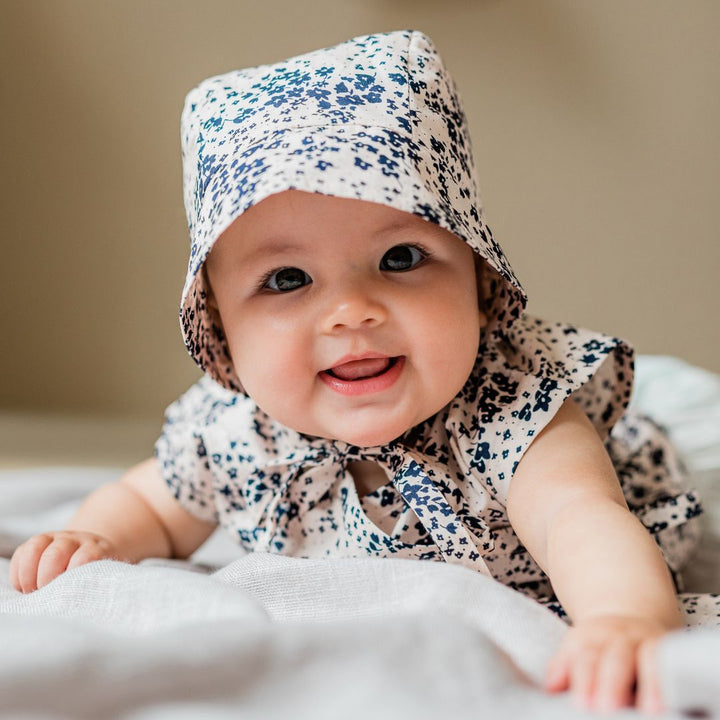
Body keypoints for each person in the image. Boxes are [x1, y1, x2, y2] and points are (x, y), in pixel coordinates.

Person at [9, 30, 704, 712]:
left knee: (685, 412)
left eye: (400, 259)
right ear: (220, 323)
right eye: (286, 278)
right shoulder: (234, 431)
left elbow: (578, 519)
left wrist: (624, 619)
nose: (349, 312)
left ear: (477, 275)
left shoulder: (511, 407)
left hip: (626, 469)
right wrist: (92, 535)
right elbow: (150, 505)